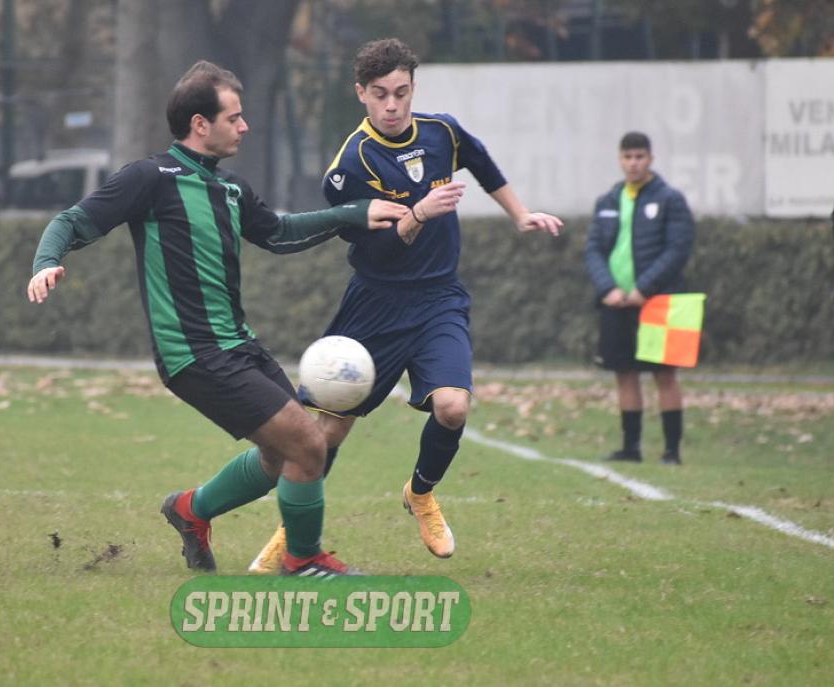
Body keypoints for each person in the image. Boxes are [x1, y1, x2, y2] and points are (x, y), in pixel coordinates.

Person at [27, 61, 407, 577]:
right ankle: (303, 559)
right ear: (200, 124)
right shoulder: (150, 178)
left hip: (239, 346)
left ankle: (191, 510)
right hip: (194, 354)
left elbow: (278, 233)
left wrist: (353, 214)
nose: (244, 126)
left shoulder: (230, 189)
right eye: (234, 117)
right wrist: (46, 262)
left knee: (281, 458)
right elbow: (72, 221)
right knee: (308, 442)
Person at [248, 38, 563, 573]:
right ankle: (293, 535)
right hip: (377, 302)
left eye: (401, 92)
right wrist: (418, 213)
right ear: (361, 94)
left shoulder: (442, 132)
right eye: (380, 94)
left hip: (439, 298)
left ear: (413, 87)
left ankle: (420, 493)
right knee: (327, 434)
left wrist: (520, 214)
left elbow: (482, 163)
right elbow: (375, 251)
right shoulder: (350, 167)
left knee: (453, 407)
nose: (392, 105)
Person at [584, 131, 694, 465]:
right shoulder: (608, 201)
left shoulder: (670, 199)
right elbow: (593, 249)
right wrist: (608, 288)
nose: (633, 163)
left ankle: (672, 451)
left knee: (665, 374)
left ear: (650, 159)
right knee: (625, 373)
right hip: (616, 302)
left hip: (660, 301)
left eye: (639, 157)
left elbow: (677, 250)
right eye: (628, 157)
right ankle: (630, 448)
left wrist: (643, 289)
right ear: (620, 160)